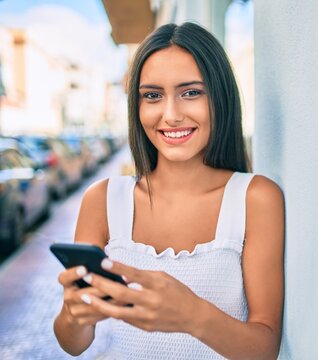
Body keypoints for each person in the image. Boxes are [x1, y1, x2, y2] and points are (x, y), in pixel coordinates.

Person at [53, 22, 284, 359]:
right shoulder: (103, 200)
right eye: (152, 95)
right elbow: (72, 343)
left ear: (220, 97)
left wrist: (192, 315)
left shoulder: (255, 198)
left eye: (191, 92)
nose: (171, 115)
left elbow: (265, 349)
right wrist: (75, 315)